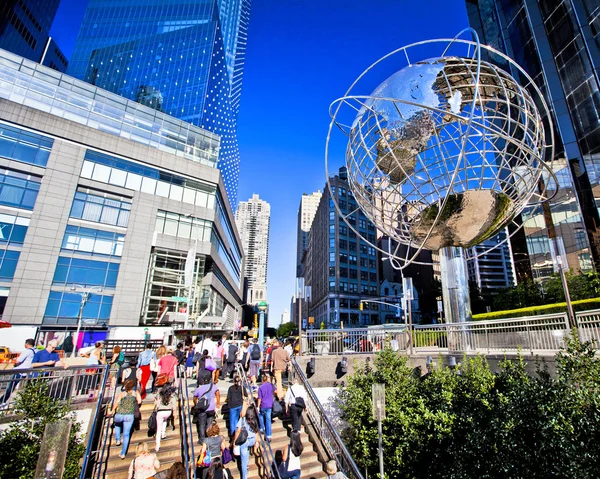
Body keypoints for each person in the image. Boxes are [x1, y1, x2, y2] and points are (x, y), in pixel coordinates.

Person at [108, 379, 142, 459]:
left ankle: (118, 439)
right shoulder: (135, 393)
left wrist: (112, 411)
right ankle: (123, 453)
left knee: (117, 424)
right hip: (129, 415)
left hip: (120, 414)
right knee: (126, 435)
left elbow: (116, 403)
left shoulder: (122, 394)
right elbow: (139, 401)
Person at [0, 338, 35, 407]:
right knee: (26, 388)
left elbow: (18, 361)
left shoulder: (27, 351)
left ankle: (2, 401)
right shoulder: (35, 351)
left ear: (27, 344)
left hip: (20, 371)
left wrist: (14, 362)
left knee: (11, 387)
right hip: (28, 372)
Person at [232, 401, 259, 479]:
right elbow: (256, 431)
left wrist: (234, 441)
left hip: (244, 441)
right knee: (246, 453)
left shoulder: (243, 419)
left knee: (243, 461)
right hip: (252, 440)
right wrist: (257, 441)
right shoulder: (255, 420)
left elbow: (237, 431)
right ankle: (246, 462)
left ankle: (244, 476)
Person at [193, 374, 220, 442]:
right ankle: (209, 438)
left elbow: (194, 398)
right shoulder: (213, 387)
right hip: (211, 408)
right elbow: (218, 394)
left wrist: (196, 404)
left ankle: (202, 439)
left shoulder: (199, 388)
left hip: (202, 409)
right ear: (210, 380)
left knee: (202, 424)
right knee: (209, 423)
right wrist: (218, 404)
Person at [154, 384, 177, 451]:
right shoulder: (172, 396)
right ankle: (163, 433)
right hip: (168, 412)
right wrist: (174, 415)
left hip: (160, 412)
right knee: (165, 420)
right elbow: (174, 407)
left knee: (158, 429)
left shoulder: (160, 394)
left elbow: (156, 401)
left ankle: (157, 444)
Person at [257, 373, 276, 441]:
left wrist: (258, 406)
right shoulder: (271, 385)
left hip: (263, 405)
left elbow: (259, 398)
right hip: (269, 405)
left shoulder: (260, 387)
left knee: (261, 415)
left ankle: (262, 428)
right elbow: (275, 391)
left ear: (262, 380)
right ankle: (269, 435)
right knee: (268, 420)